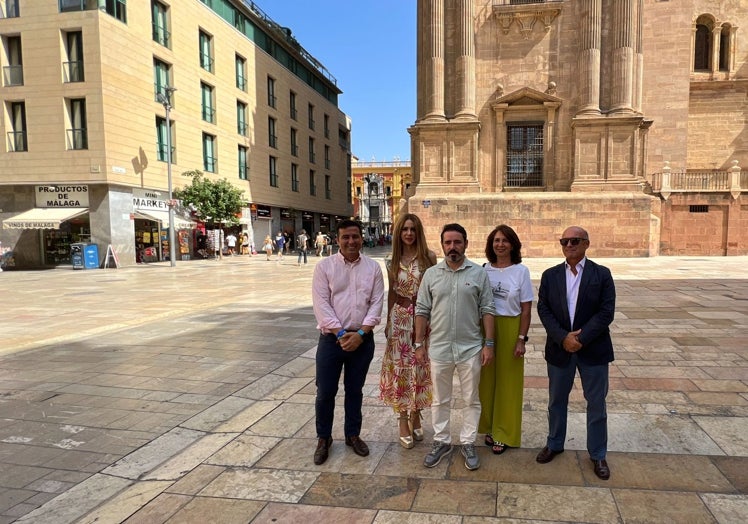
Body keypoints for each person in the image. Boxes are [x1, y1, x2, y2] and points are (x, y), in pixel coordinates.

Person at [536, 226, 616, 480]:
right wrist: (563, 338)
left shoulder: (601, 274)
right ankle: (555, 443)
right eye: (564, 241)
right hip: (560, 348)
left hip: (593, 349)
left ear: (586, 244)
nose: (569, 245)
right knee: (556, 400)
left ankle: (598, 453)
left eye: (574, 241)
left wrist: (580, 338)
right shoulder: (550, 275)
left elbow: (606, 312)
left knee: (596, 403)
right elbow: (544, 309)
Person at [414, 223, 496, 471]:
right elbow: (422, 310)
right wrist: (418, 343)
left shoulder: (478, 274)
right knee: (440, 400)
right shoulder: (431, 275)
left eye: (457, 242)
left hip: (470, 348)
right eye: (448, 243)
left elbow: (487, 309)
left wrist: (489, 344)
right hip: (439, 348)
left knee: (471, 399)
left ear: (466, 244)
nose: (452, 247)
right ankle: (441, 441)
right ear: (442, 245)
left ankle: (468, 442)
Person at [311, 219, 385, 465]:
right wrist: (342, 335)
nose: (351, 241)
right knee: (325, 393)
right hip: (332, 341)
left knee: (355, 391)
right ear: (338, 240)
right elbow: (322, 305)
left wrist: (361, 334)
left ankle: (352, 434)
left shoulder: (373, 268)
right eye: (346, 237)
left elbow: (376, 304)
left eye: (355, 236)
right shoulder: (324, 268)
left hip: (362, 340)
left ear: (361, 238)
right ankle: (324, 438)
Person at [379, 213, 437, 449]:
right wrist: (387, 321)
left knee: (420, 367)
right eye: (405, 229)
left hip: (423, 320)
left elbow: (434, 291)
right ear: (399, 233)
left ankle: (416, 413)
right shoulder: (391, 259)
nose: (409, 233)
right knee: (402, 369)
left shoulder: (429, 258)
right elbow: (392, 292)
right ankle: (403, 417)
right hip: (400, 320)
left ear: (418, 232)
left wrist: (434, 319)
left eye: (413, 229)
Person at [478, 225, 534, 455]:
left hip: (511, 327)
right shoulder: (483, 270)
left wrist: (521, 339)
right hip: (486, 329)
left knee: (508, 383)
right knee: (486, 381)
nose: (500, 244)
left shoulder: (521, 272)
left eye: (504, 240)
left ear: (513, 244)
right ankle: (490, 427)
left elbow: (526, 308)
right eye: (496, 240)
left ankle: (505, 432)